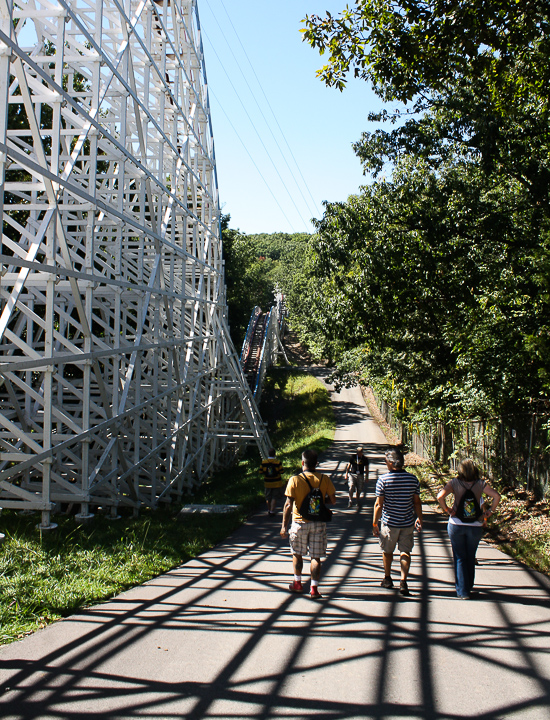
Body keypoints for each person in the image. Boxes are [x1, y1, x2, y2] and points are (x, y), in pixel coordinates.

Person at [437, 459, 500, 599]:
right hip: (475, 526)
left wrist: (447, 509)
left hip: (456, 524)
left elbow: (440, 496)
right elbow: (496, 496)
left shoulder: (454, 483)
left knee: (459, 557)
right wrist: (490, 511)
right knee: (470, 556)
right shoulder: (480, 484)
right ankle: (469, 586)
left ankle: (462, 591)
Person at [280, 448, 336, 599]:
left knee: (297, 554)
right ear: (316, 463)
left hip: (299, 523)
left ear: (302, 462)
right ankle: (314, 589)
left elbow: (287, 505)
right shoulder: (324, 479)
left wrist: (284, 526)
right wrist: (318, 502)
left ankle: (297, 583)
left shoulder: (295, 480)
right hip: (318, 523)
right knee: (315, 557)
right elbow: (333, 500)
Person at [372, 447, 423, 596]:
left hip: (389, 523)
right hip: (407, 523)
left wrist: (375, 523)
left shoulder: (383, 480)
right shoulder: (413, 479)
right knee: (405, 552)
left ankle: (387, 578)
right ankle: (403, 581)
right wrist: (419, 517)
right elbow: (417, 502)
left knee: (387, 551)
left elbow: (379, 504)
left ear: (390, 463)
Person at [259, 448, 284, 517]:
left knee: (268, 497)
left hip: (267, 482)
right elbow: (282, 471)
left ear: (268, 454)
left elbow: (260, 472)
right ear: (274, 454)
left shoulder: (264, 462)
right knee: (274, 497)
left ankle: (269, 509)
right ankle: (272, 510)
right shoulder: (278, 462)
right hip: (276, 482)